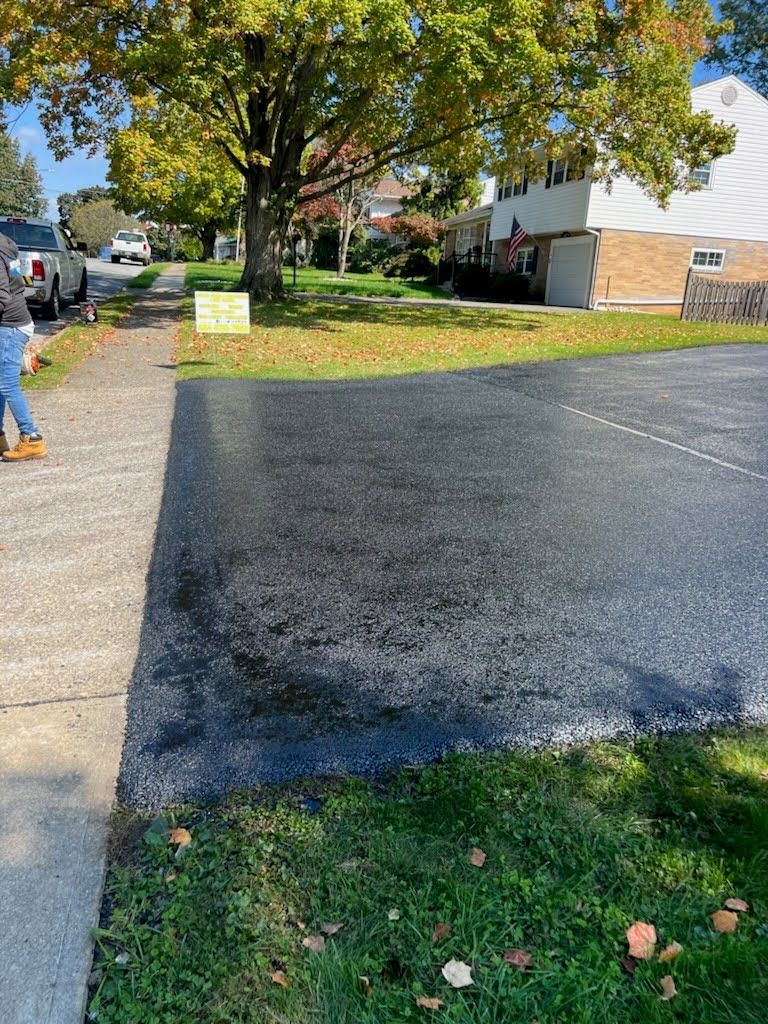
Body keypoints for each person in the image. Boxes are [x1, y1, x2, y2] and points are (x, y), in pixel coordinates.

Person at [0, 230, 47, 462]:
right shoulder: (8, 246)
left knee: (7, 384)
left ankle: (32, 438)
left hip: (9, 325)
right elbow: (17, 281)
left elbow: (2, 295)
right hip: (17, 320)